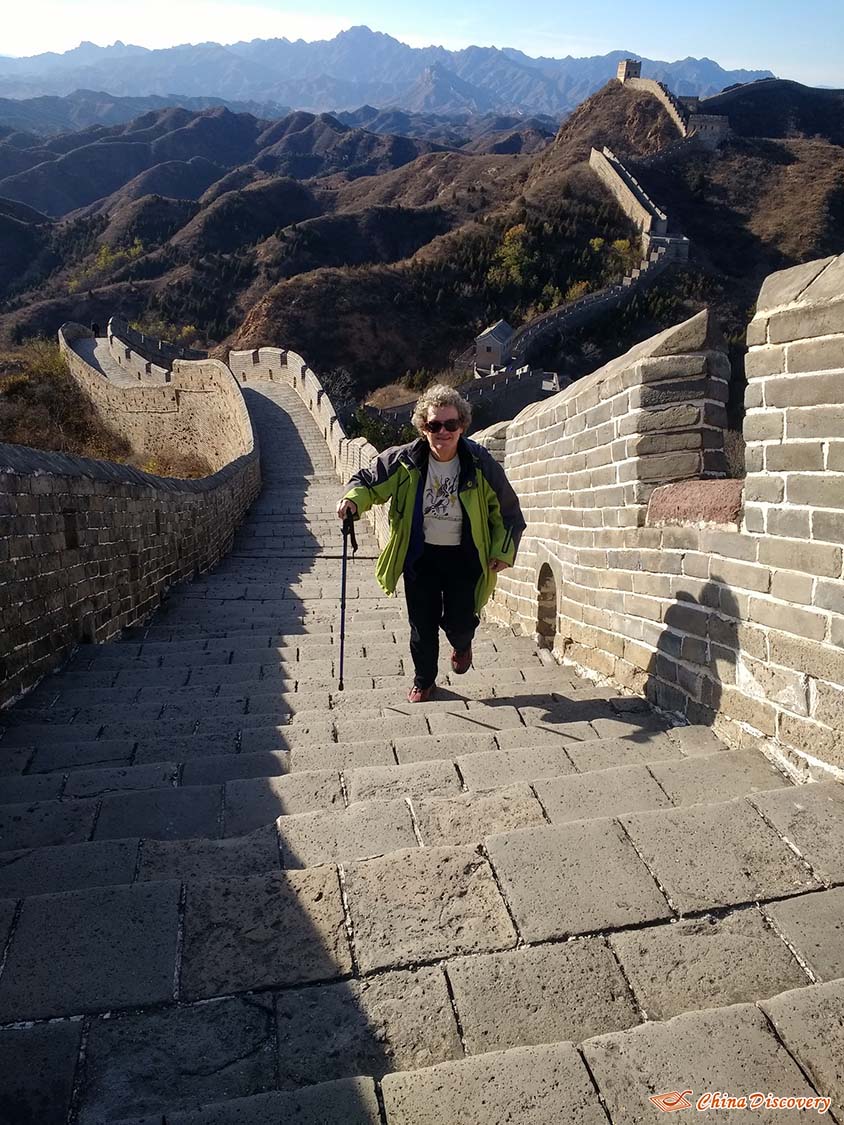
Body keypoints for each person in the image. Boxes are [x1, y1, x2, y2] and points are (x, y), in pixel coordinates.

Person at [336, 384, 526, 702]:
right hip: (420, 555)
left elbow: (508, 511)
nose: (442, 432)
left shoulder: (479, 464)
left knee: (460, 621)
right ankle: (424, 681)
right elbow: (368, 481)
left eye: (450, 424)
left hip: (464, 556)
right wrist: (353, 502)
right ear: (423, 427)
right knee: (421, 624)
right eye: (434, 424)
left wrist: (502, 551)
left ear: (462, 426)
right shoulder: (406, 460)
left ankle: (461, 643)